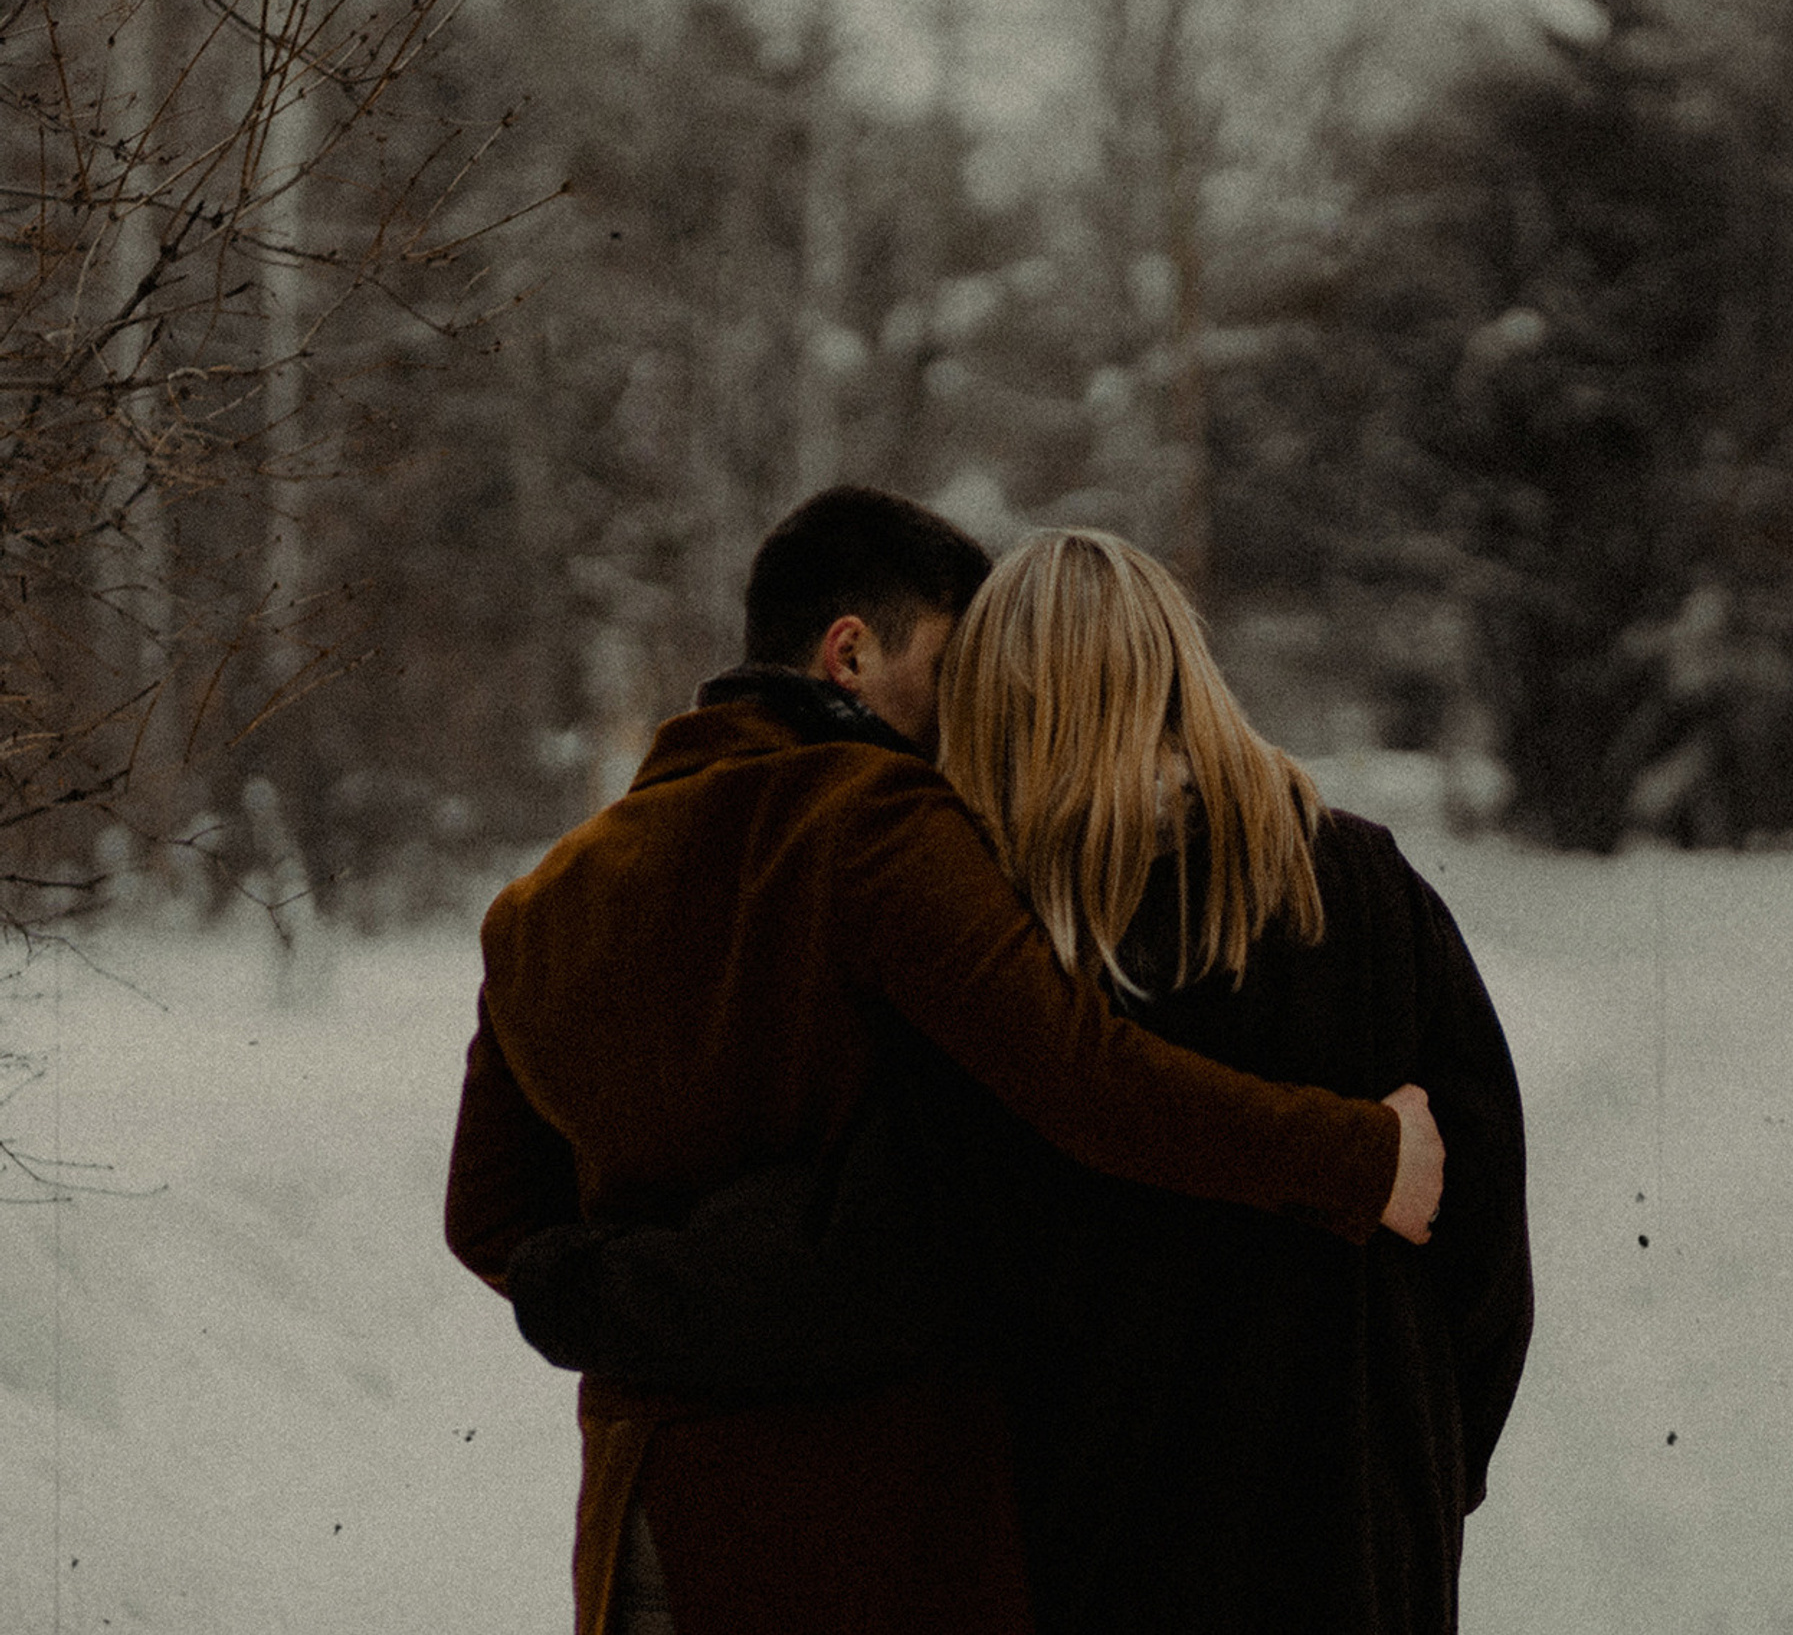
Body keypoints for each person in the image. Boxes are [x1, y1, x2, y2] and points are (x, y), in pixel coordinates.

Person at [444, 487, 1446, 1635]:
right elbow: (1087, 1077)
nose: (969, 714)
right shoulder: (873, 820)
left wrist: (643, 1301)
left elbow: (489, 1220)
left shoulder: (545, 898)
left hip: (640, 1517)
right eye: (952, 668)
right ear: (850, 654)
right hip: (861, 1519)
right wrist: (1362, 1156)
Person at [926, 529, 1532, 1634]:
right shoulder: (1361, 889)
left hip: (1085, 1551)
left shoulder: (997, 944)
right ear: (1178, 669)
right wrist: (1427, 1484)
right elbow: (1485, 1257)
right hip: (1352, 1544)